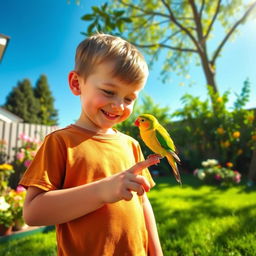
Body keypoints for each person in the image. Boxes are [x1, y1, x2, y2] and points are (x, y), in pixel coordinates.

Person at [19, 33, 163, 256]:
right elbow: (33, 213)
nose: (118, 106)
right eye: (108, 91)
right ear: (77, 83)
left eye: (129, 98)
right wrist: (101, 191)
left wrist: (156, 252)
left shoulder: (132, 144)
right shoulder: (60, 142)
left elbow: (143, 203)